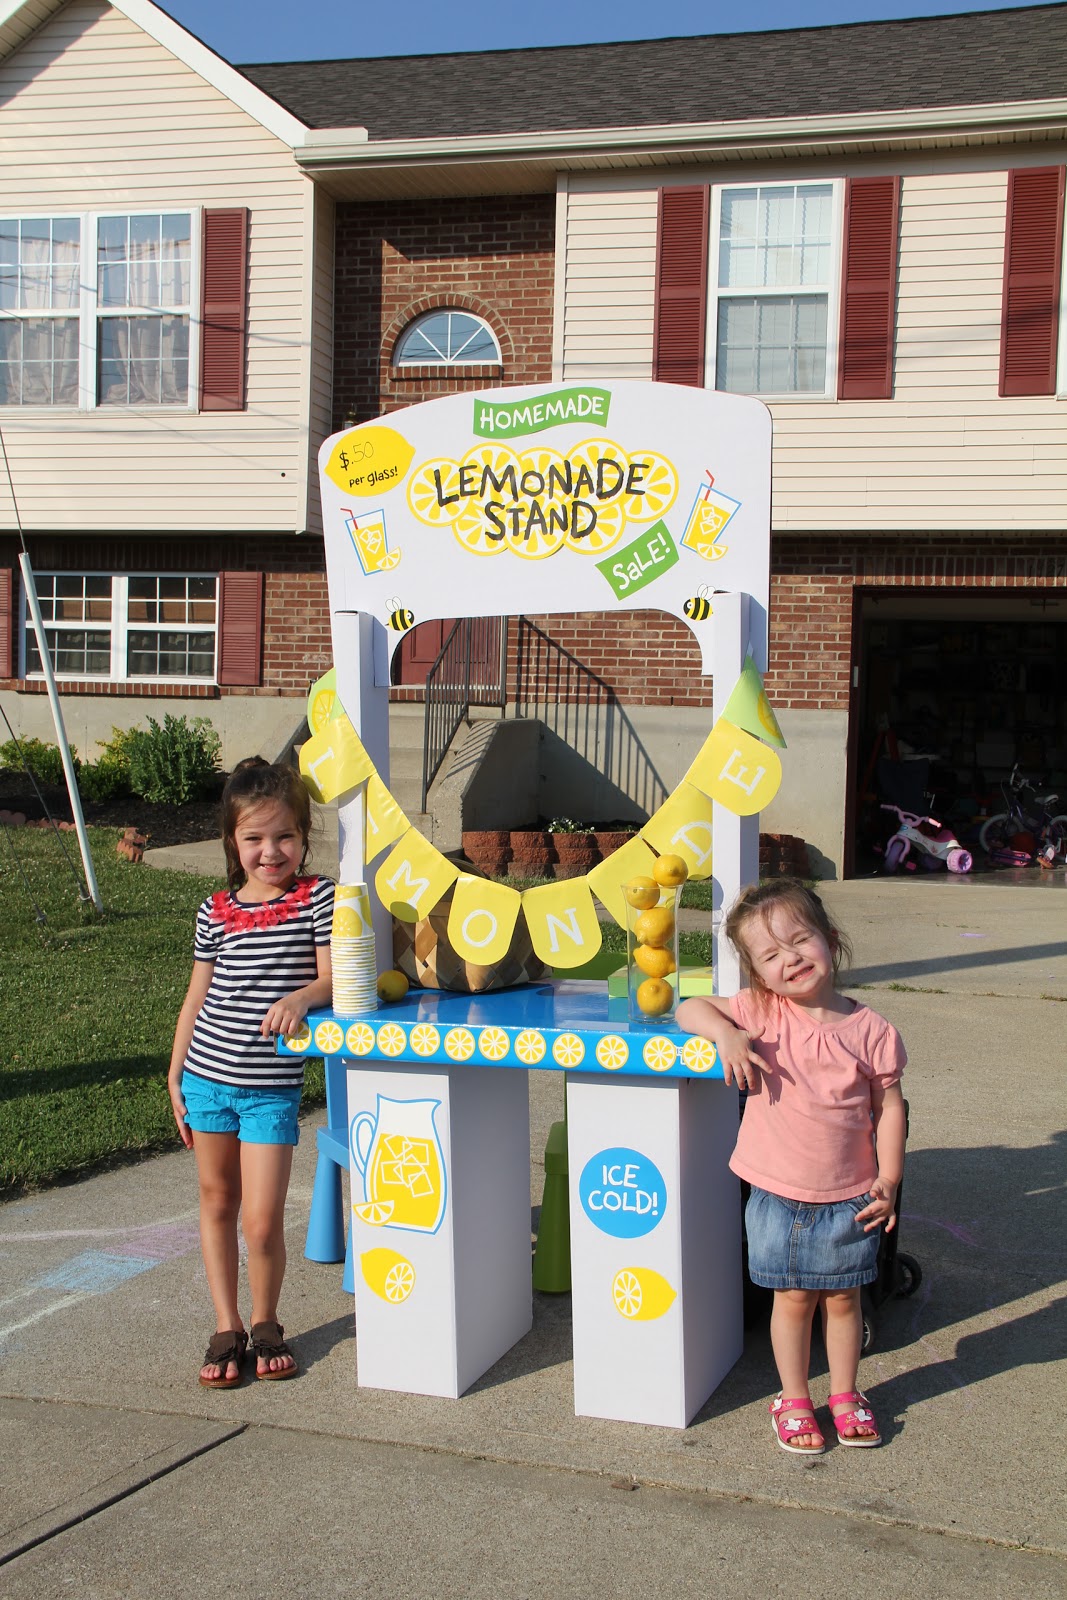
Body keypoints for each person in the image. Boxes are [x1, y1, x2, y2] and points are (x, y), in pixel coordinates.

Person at [676, 880, 906, 1453]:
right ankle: (795, 1397)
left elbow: (890, 1106)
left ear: (830, 939)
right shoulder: (764, 1013)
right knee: (793, 1300)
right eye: (771, 956)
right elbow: (688, 1008)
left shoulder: (872, 1031)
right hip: (777, 1196)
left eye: (800, 941)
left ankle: (847, 1393)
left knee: (845, 1300)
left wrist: (890, 1178)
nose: (791, 960)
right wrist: (726, 1035)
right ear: (758, 974)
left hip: (851, 1196)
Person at [168, 757, 334, 1388]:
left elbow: (333, 975)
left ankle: (267, 1323)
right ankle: (227, 1326)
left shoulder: (315, 898)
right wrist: (175, 1075)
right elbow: (196, 998)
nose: (271, 852)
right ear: (232, 843)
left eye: (284, 837)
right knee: (217, 1203)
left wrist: (302, 998)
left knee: (261, 1220)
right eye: (254, 839)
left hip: (270, 1088)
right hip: (207, 1078)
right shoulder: (214, 911)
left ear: (304, 837)